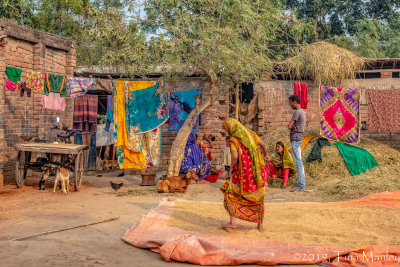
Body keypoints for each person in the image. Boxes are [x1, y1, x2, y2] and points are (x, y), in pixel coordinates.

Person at [220, 118, 270, 232]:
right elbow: (263, 145)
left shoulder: (234, 140)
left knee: (231, 195)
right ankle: (260, 225)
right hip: (257, 173)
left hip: (243, 174)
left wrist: (231, 168)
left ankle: (233, 223)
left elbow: (235, 156)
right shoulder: (251, 134)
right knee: (258, 198)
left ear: (231, 128)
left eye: (226, 129)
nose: (227, 132)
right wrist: (266, 155)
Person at [288, 94, 306, 192]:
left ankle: (302, 185)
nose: (290, 105)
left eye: (291, 103)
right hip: (298, 138)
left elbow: (289, 126)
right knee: (298, 161)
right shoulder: (302, 112)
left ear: (295, 102)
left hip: (296, 138)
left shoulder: (297, 112)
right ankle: (300, 184)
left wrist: (292, 126)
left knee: (298, 162)